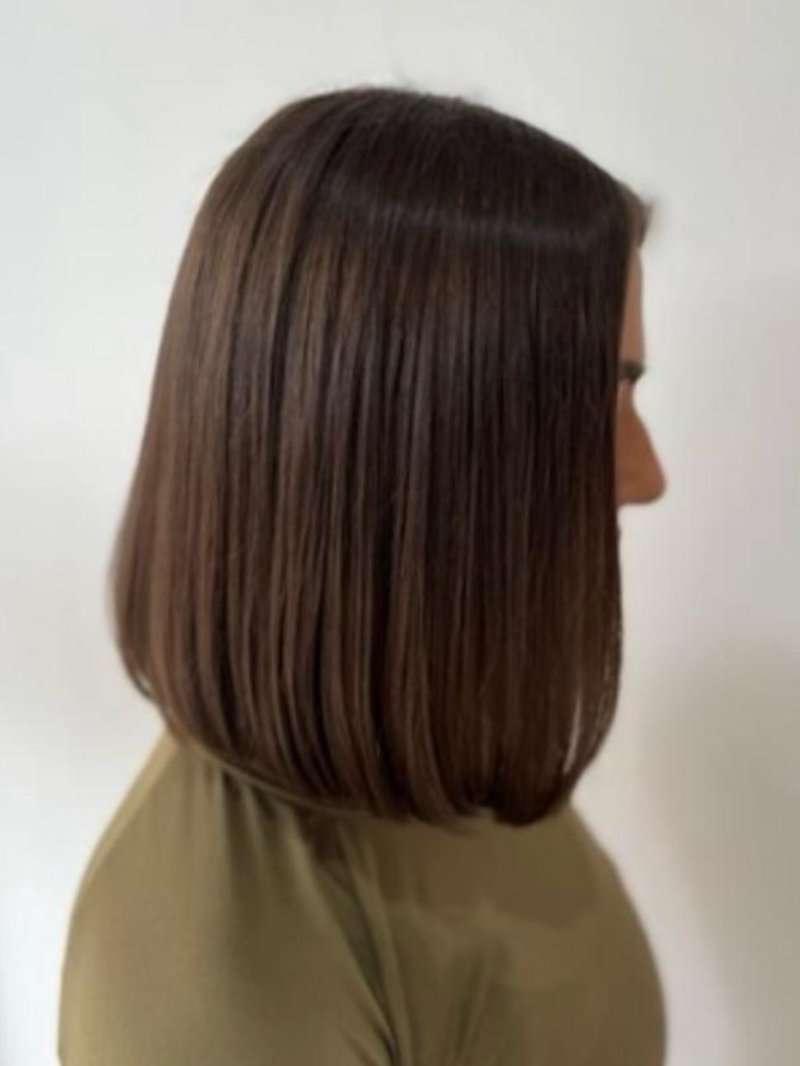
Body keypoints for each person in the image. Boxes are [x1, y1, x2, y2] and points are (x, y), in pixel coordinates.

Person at [58, 84, 668, 1064]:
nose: (645, 475)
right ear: (420, 446)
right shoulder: (227, 985)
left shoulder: (440, 732)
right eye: (605, 397)